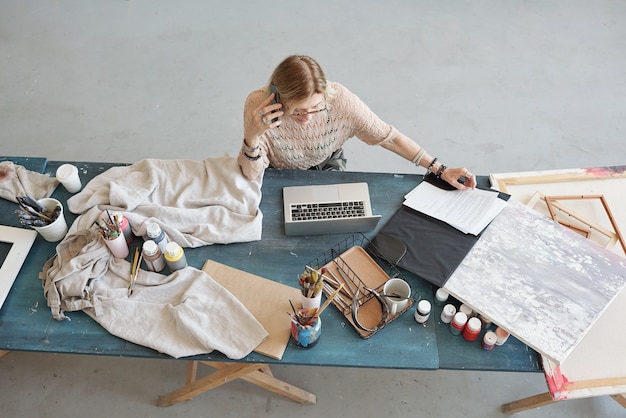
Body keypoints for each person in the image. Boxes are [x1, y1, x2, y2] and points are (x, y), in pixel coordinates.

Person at [237, 55, 476, 190]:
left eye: (316, 108)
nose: (308, 118)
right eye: (297, 111)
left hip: (326, 164)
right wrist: (252, 136)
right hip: (279, 175)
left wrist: (441, 169)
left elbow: (389, 137)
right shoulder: (259, 105)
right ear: (279, 99)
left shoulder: (341, 101)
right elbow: (250, 174)